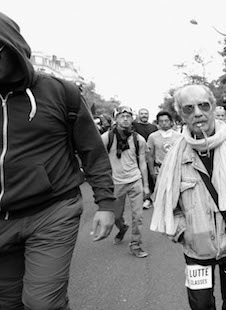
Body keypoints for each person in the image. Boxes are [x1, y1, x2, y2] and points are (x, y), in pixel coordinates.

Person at [0, 12, 115, 309]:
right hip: (2, 221)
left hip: (52, 212)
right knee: (8, 303)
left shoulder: (61, 92)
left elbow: (92, 151)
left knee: (42, 304)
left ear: (11, 47)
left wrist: (105, 204)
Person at [150, 84, 226, 309]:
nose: (197, 112)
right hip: (196, 250)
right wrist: (182, 231)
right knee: (201, 305)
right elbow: (165, 201)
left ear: (213, 107)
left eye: (203, 105)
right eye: (189, 108)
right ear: (181, 115)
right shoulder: (175, 155)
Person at [101, 106, 151, 258]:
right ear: (116, 119)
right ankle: (122, 228)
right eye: (122, 116)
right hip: (116, 182)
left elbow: (143, 162)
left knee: (138, 216)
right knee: (116, 216)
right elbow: (98, 159)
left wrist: (146, 185)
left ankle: (135, 244)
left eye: (128, 116)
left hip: (135, 180)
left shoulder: (138, 139)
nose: (125, 119)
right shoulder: (106, 138)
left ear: (132, 119)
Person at [147, 111, 182, 185]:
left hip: (175, 169)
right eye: (161, 121)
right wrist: (152, 172)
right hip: (159, 169)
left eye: (166, 121)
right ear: (158, 123)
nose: (164, 123)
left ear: (171, 122)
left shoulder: (179, 136)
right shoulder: (152, 136)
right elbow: (150, 156)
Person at [133, 108, 158, 208]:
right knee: (142, 177)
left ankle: (153, 197)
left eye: (146, 114)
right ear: (138, 115)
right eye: (142, 114)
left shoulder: (153, 127)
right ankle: (146, 198)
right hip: (138, 156)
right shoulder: (134, 126)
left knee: (153, 176)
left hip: (152, 156)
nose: (144, 115)